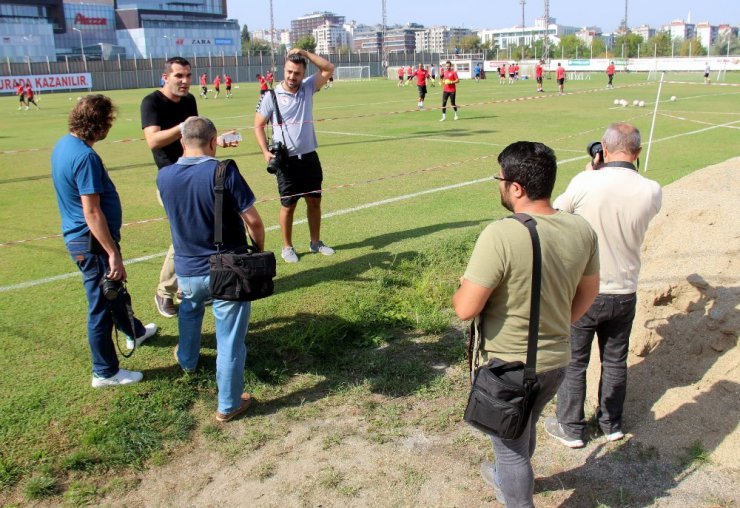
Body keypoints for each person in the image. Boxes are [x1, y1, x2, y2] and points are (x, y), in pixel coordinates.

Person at [452, 141, 599, 507]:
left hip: (510, 367)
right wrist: (558, 323)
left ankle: (515, 492)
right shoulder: (581, 230)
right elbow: (590, 291)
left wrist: (460, 289)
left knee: (511, 450)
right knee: (525, 423)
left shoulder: (502, 234)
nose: (498, 185)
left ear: (516, 187)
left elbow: (465, 308)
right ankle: (508, 477)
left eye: (499, 178)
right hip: (557, 360)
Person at [546, 122, 662, 449]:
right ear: (637, 152)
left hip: (585, 288)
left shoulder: (586, 182)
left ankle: (571, 426)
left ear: (603, 150)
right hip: (625, 290)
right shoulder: (651, 190)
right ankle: (611, 422)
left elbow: (555, 211)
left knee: (575, 360)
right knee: (615, 359)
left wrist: (591, 173)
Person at [158, 116, 265, 422]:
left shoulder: (164, 176)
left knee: (189, 314)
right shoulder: (224, 170)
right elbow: (254, 221)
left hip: (187, 267)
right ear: (214, 142)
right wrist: (257, 251)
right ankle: (229, 403)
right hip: (228, 267)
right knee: (229, 336)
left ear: (181, 142)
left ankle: (188, 362)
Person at [51, 95, 157, 388]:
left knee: (115, 294)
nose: (110, 125)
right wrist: (112, 253)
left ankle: (134, 331)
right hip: (91, 244)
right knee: (100, 305)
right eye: (108, 120)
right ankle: (104, 372)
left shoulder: (65, 144)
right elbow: (92, 210)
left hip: (83, 240)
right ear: (98, 124)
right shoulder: (84, 157)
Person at [254, 48, 336, 264]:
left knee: (314, 202)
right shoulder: (271, 95)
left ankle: (316, 242)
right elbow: (258, 125)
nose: (292, 77)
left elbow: (328, 68)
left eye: (297, 73)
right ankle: (287, 247)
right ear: (284, 69)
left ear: (303, 73)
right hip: (286, 162)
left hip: (309, 158)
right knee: (288, 205)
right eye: (289, 71)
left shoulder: (308, 88)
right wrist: (265, 152)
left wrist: (306, 54)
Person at [141, 57, 199, 318]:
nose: (185, 81)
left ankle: (183, 288)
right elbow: (153, 141)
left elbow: (192, 138)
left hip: (192, 175)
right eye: (179, 76)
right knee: (184, 234)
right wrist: (182, 126)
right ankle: (164, 291)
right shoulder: (151, 102)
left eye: (187, 75)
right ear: (166, 77)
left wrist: (215, 140)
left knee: (196, 231)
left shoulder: (189, 101)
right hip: (169, 179)